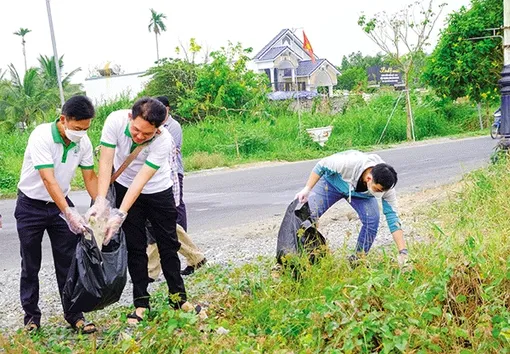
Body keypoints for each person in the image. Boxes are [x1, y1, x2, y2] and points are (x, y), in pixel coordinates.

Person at [85, 97, 192, 325]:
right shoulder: (114, 121)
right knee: (135, 247)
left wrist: (120, 215)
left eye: (147, 134)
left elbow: (141, 182)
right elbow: (105, 164)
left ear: (158, 129)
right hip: (124, 184)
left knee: (168, 244)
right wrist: (102, 201)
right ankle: (141, 303)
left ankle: (178, 298)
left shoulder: (164, 141)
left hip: (157, 189)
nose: (139, 136)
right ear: (130, 117)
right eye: (136, 130)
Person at [15, 95, 98, 333]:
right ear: (63, 119)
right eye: (77, 128)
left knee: (69, 262)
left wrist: (101, 203)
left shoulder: (83, 142)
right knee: (30, 263)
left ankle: (75, 315)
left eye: (86, 128)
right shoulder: (41, 136)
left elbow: (90, 177)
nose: (81, 133)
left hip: (59, 205)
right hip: (31, 205)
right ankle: (31, 317)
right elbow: (48, 179)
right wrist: (70, 213)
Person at [294, 150, 409, 266]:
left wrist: (403, 251)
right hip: (332, 183)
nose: (380, 194)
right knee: (307, 216)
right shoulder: (348, 163)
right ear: (369, 179)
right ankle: (297, 256)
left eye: (382, 191)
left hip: (361, 196)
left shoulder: (386, 190)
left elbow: (393, 217)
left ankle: (358, 259)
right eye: (378, 190)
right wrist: (307, 189)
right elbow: (321, 165)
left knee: (372, 219)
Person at [145, 96, 206, 280]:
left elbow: (170, 157)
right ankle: (153, 270)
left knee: (166, 224)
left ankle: (192, 257)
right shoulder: (150, 127)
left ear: (167, 109)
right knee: (155, 225)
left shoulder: (171, 129)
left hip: (167, 179)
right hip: (151, 181)